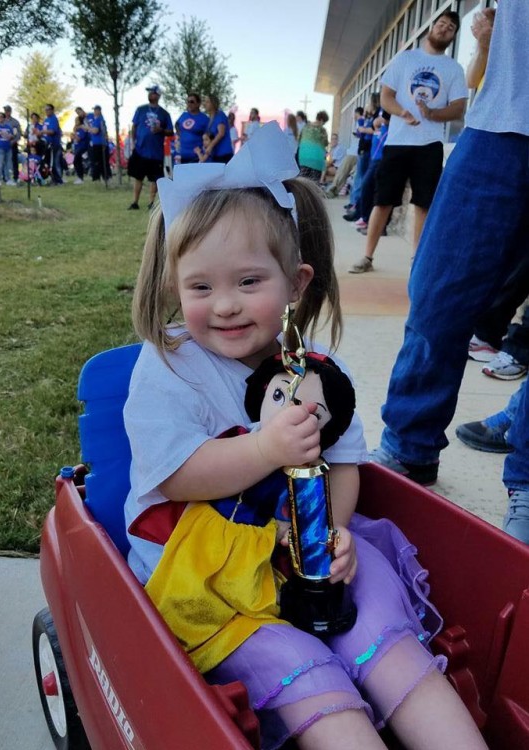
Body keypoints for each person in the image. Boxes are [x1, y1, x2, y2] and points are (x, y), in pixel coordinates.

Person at [123, 122, 488, 750]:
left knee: (389, 642)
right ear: (174, 288)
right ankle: (337, 717)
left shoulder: (312, 369)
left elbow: (344, 464)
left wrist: (334, 532)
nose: (226, 305)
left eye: (249, 282)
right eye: (201, 287)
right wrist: (265, 449)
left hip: (305, 549)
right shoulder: (168, 365)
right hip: (206, 573)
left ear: (295, 285)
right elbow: (175, 473)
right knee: (312, 679)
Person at [370, 0, 529, 544]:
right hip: (502, 121)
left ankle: (528, 481)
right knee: (438, 289)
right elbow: (474, 87)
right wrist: (485, 41)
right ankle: (408, 445)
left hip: (488, 125)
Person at [349, 11, 468, 274]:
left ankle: (417, 261)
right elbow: (386, 96)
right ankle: (367, 257)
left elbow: (459, 108)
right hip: (398, 143)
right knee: (383, 200)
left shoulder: (453, 68)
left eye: (450, 28)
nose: (445, 29)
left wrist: (433, 114)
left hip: (430, 144)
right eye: (441, 24)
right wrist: (402, 112)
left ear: (452, 37)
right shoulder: (405, 59)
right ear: (431, 28)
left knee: (424, 203)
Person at [127, 84, 174, 211]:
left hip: (156, 152)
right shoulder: (141, 109)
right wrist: (133, 142)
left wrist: (161, 130)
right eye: (149, 93)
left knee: (155, 179)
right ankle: (135, 202)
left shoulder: (164, 114)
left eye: (152, 93)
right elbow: (134, 126)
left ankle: (151, 203)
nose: (150, 95)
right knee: (138, 177)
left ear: (158, 95)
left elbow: (171, 131)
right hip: (140, 150)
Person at [325, 107, 363, 199]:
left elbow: (361, 134)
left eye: (354, 114)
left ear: (356, 113)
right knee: (350, 176)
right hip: (356, 153)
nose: (353, 116)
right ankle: (337, 192)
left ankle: (332, 191)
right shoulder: (360, 122)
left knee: (342, 174)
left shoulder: (361, 121)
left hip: (354, 153)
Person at [175, 93, 209, 164]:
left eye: (192, 102)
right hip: (182, 155)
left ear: (198, 104)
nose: (189, 104)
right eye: (188, 102)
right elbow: (177, 124)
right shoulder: (184, 115)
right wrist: (179, 134)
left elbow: (209, 136)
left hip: (196, 157)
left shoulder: (204, 118)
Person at [297, 110, 329, 183]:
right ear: (321, 120)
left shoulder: (305, 127)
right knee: (314, 182)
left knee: (302, 181)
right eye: (324, 123)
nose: (323, 124)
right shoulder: (322, 130)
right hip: (316, 160)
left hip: (303, 158)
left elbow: (299, 140)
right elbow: (325, 143)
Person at [203, 94, 234, 164]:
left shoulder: (220, 115)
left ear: (213, 103)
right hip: (215, 153)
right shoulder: (210, 118)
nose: (205, 104)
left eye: (207, 102)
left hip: (224, 153)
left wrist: (210, 146)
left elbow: (221, 133)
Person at [88, 105, 111, 183]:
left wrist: (89, 128)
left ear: (99, 111)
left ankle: (100, 177)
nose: (94, 112)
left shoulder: (99, 119)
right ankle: (101, 177)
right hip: (97, 143)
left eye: (95, 110)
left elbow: (96, 131)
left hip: (99, 143)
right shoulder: (96, 120)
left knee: (99, 162)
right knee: (98, 161)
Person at [41, 103, 64, 185]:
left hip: (54, 144)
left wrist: (42, 131)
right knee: (49, 163)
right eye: (45, 110)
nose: (46, 111)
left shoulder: (53, 119)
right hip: (47, 144)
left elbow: (52, 131)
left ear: (52, 110)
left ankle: (59, 180)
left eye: (48, 109)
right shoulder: (46, 120)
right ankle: (53, 178)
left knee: (55, 162)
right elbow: (44, 130)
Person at [0, 112, 15, 185]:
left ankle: (8, 179)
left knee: (8, 164)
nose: (0, 118)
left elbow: (12, 135)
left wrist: (10, 136)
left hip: (8, 147)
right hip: (0, 148)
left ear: (4, 118)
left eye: (2, 117)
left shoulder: (8, 127)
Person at [3, 105, 21, 183]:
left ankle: (16, 177)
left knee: (14, 161)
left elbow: (18, 134)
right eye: (5, 111)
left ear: (10, 111)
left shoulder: (14, 122)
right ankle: (5, 177)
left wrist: (13, 141)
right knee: (4, 161)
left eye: (8, 111)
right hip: (3, 144)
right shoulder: (2, 121)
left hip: (12, 144)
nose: (6, 112)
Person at [71, 114, 90, 184]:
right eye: (75, 121)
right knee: (77, 162)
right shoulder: (76, 129)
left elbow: (79, 138)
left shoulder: (82, 129)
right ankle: (79, 177)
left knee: (76, 161)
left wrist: (74, 135)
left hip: (82, 147)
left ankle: (80, 177)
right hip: (76, 147)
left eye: (77, 120)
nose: (75, 122)